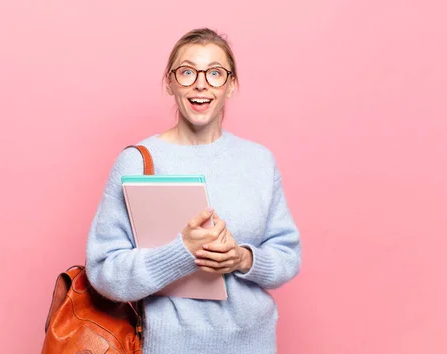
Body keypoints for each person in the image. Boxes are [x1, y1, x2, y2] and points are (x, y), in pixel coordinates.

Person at [85, 27, 301, 354]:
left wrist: (242, 258)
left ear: (232, 85)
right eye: (187, 72)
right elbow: (104, 272)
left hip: (253, 344)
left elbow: (287, 255)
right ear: (169, 82)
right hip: (166, 346)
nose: (201, 83)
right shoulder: (137, 162)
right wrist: (182, 253)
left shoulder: (259, 161)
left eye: (215, 73)